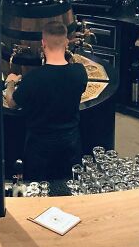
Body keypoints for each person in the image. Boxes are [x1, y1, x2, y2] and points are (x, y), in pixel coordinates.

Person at [5, 21, 88, 181]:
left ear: (43, 44)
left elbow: (12, 103)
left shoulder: (33, 78)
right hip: (71, 143)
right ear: (66, 42)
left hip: (39, 146)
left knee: (37, 192)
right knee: (69, 186)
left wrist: (11, 82)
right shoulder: (79, 73)